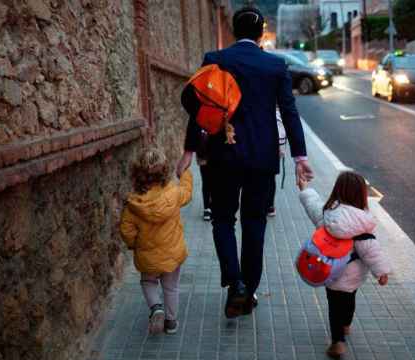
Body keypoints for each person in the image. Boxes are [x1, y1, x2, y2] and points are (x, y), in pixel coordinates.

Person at [177, 6, 313, 318]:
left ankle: (235, 284)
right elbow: (290, 112)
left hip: (223, 154)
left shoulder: (216, 59)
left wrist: (189, 150)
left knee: (223, 219)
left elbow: (202, 108)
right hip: (263, 159)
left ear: (235, 32)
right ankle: (248, 292)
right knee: (255, 224)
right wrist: (300, 157)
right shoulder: (275, 65)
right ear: (262, 33)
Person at [298, 171, 391, 358]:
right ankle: (347, 324)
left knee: (334, 306)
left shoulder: (327, 215)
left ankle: (337, 341)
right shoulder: (362, 224)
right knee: (349, 300)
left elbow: (312, 205)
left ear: (337, 191)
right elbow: (372, 251)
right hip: (353, 276)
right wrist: (381, 272)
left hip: (329, 271)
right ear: (361, 195)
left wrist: (305, 189)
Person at [120, 147, 193, 335]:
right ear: (164, 171)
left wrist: (133, 244)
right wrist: (185, 173)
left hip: (147, 255)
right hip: (171, 253)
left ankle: (155, 307)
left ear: (138, 174)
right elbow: (187, 192)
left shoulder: (134, 204)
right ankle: (171, 322)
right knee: (171, 288)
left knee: (148, 282)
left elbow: (126, 230)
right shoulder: (174, 193)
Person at [197, 130, 212, 221]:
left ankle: (212, 206)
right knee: (206, 180)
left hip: (219, 152)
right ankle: (207, 208)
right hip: (203, 151)